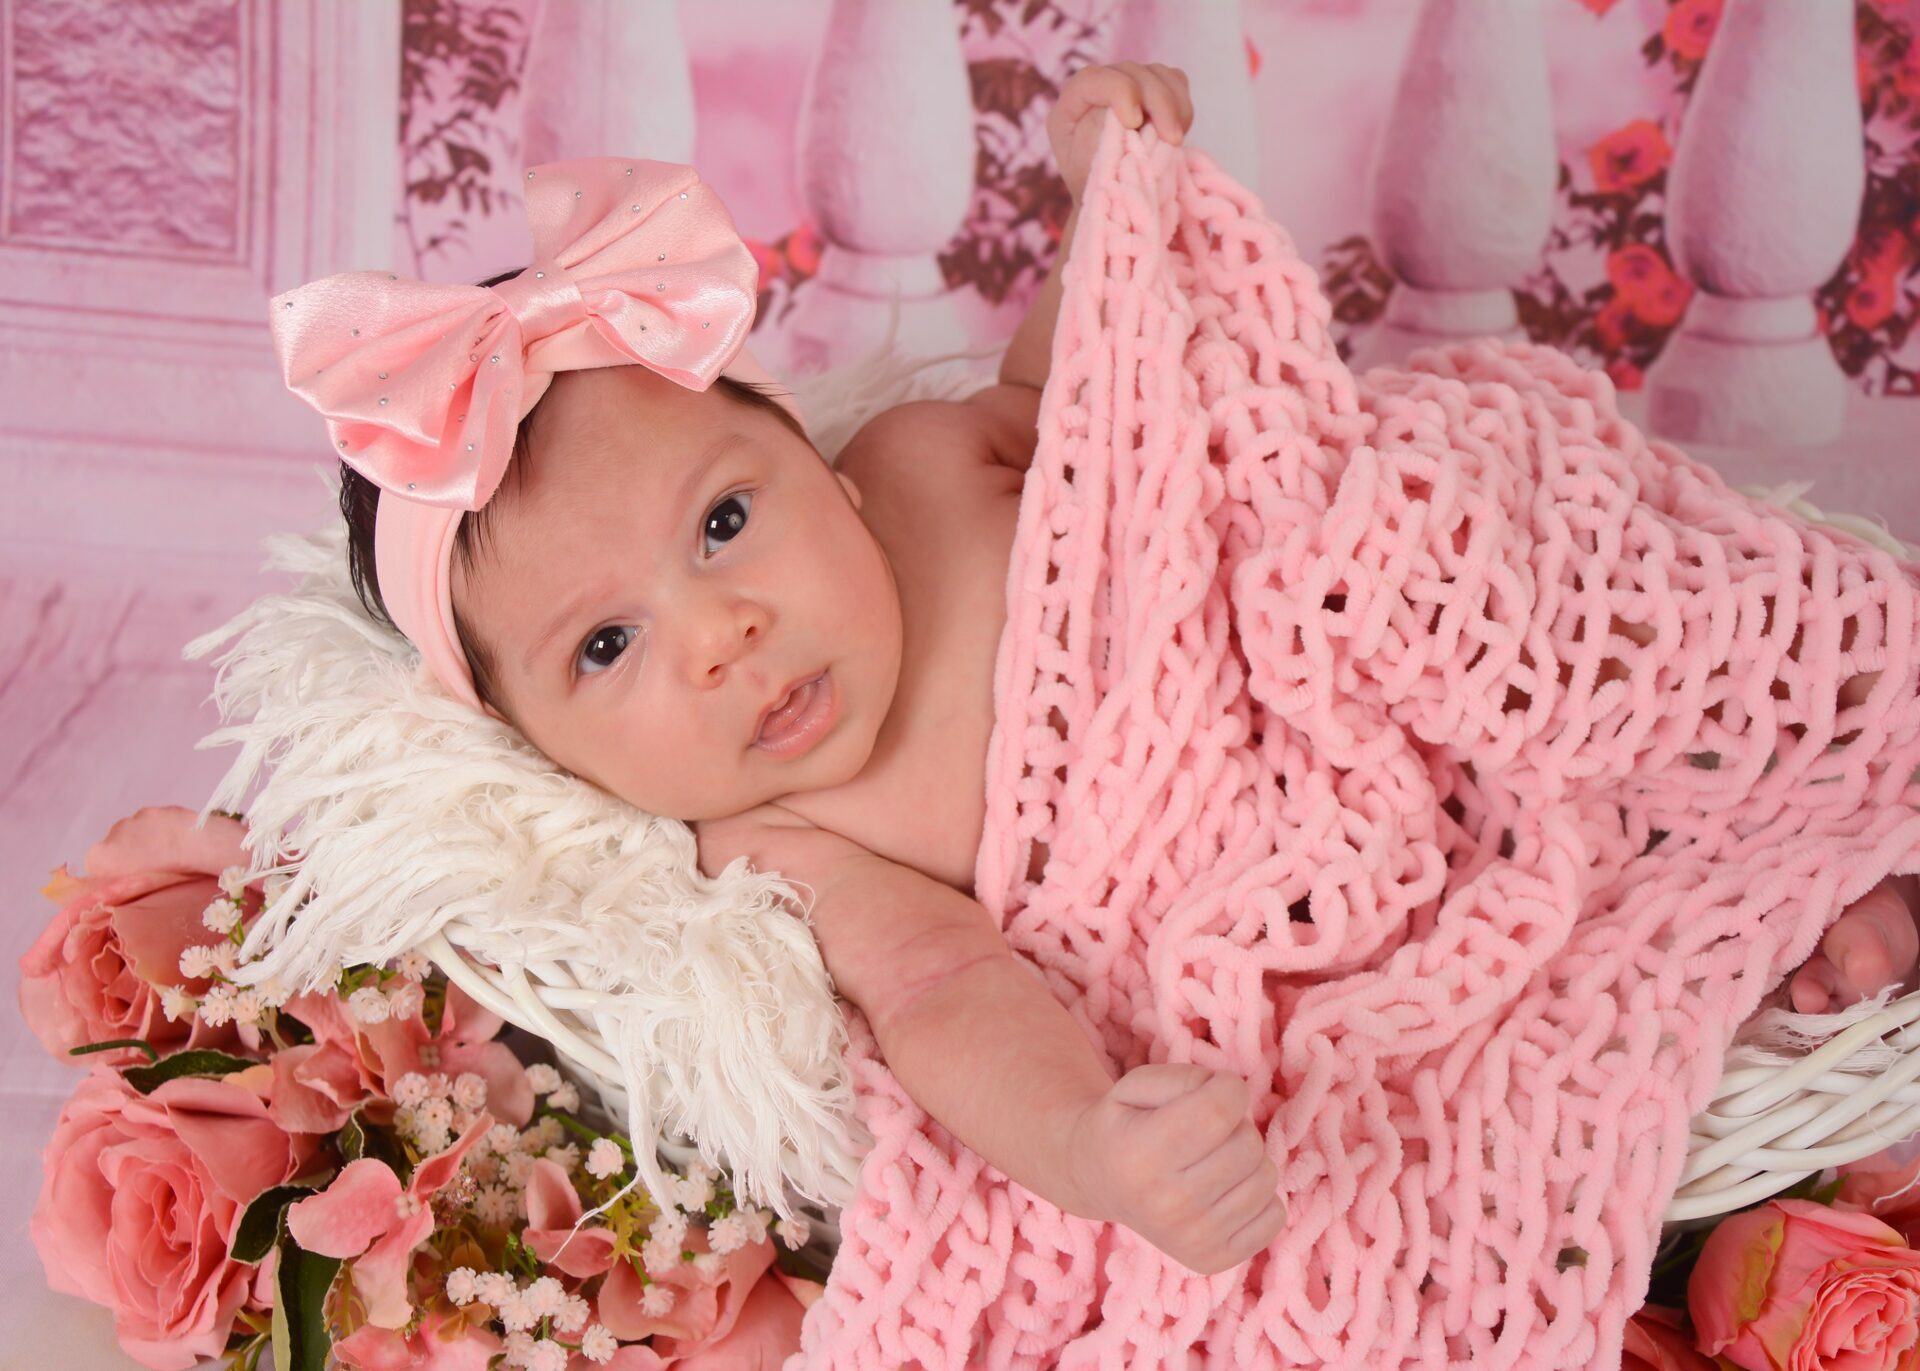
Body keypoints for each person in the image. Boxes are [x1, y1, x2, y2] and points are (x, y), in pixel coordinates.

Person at [277, 62, 1919, 1278]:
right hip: (1305, 885)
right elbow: (945, 996)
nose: (721, 634)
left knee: (1555, 627)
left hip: (1353, 656)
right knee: (1561, 929)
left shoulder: (924, 461)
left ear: (818, 466)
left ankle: (1820, 769)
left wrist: (1111, 195)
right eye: (607, 647)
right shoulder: (776, 843)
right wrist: (1085, 1145)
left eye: (723, 520)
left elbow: (1112, 381)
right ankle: (1802, 906)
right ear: (542, 754)